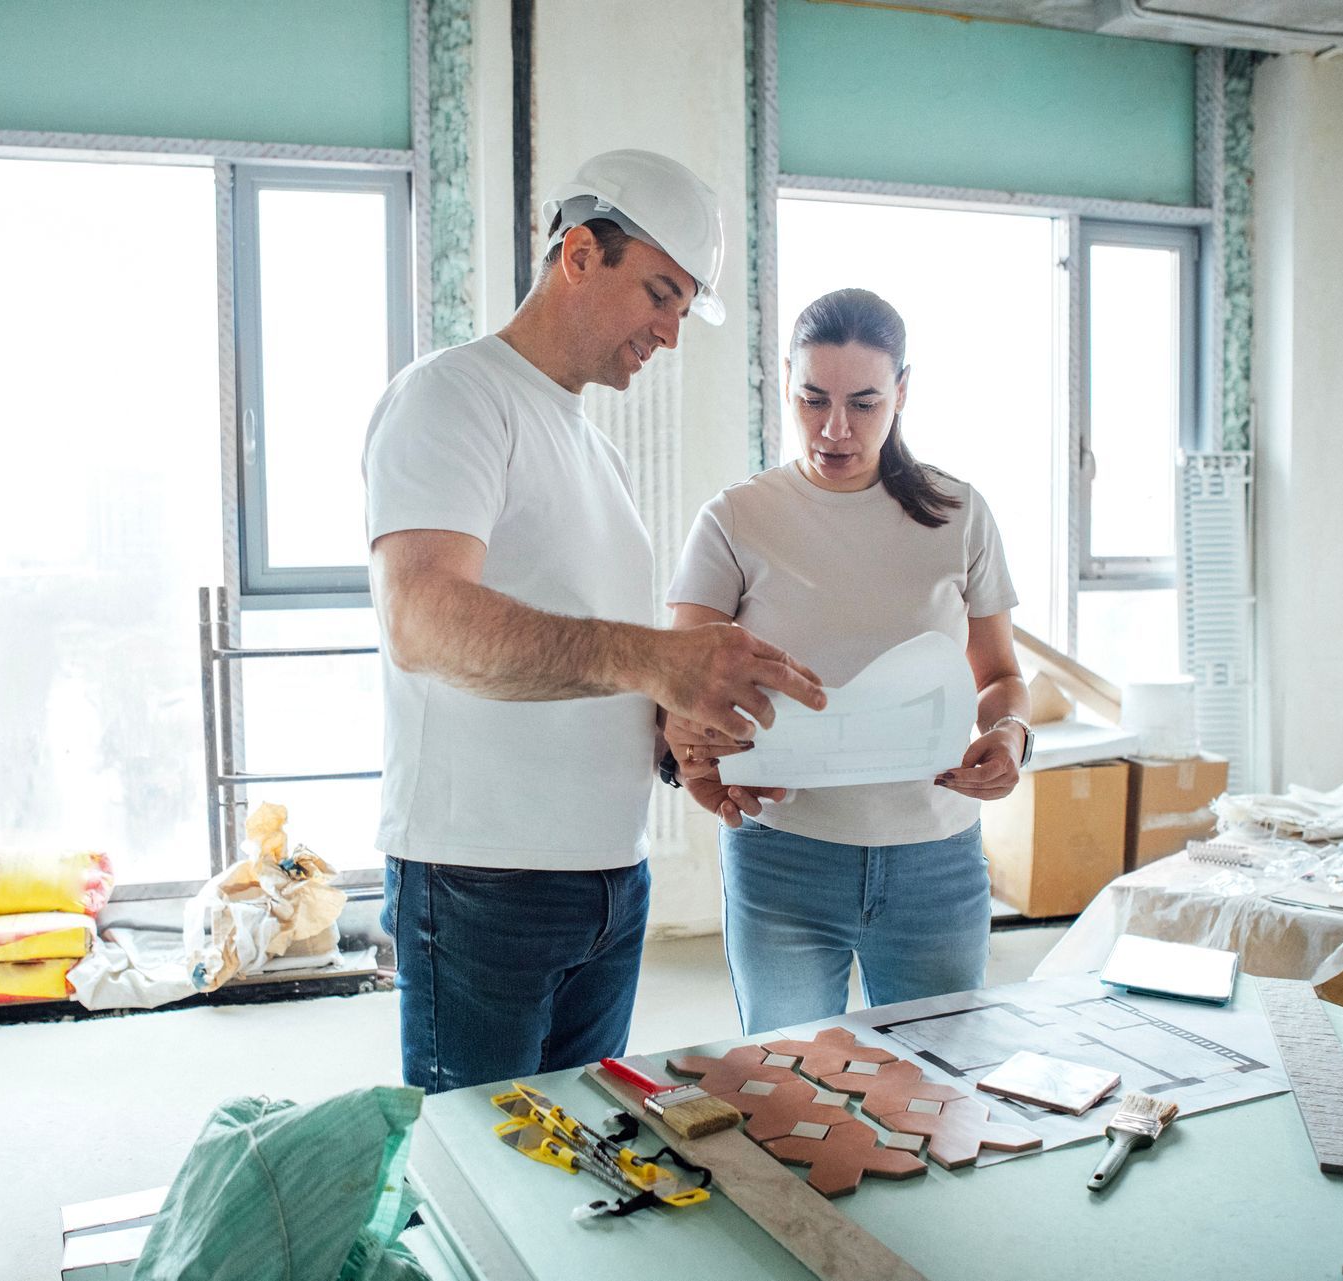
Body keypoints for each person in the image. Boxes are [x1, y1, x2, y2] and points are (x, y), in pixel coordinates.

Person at [362, 150, 825, 1093]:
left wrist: (678, 738)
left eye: (684, 308)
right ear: (579, 254)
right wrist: (658, 658)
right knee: (476, 1184)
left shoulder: (595, 451)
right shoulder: (452, 398)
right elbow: (424, 618)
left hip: (611, 881)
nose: (669, 331)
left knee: (570, 1170)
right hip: (482, 881)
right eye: (659, 293)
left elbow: (601, 662)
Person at [663, 287, 1033, 1035]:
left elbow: (999, 675)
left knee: (941, 1089)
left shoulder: (960, 515)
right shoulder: (736, 518)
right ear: (786, 386)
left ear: (903, 391)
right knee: (788, 1088)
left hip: (936, 861)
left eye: (864, 403)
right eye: (812, 399)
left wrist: (1013, 737)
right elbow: (682, 689)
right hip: (784, 858)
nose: (834, 428)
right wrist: (700, 743)